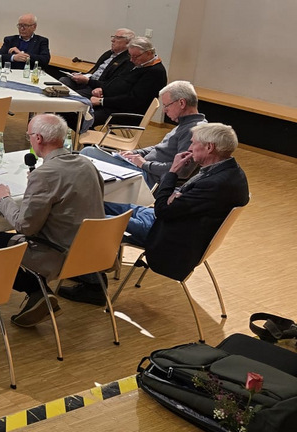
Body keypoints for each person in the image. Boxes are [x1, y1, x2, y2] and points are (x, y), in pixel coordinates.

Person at [61, 123, 249, 306]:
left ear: (209, 147)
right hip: (172, 222)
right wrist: (174, 196)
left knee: (90, 224)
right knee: (96, 203)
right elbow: (172, 203)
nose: (190, 148)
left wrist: (173, 171)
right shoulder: (229, 171)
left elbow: (163, 209)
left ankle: (94, 286)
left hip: (168, 235)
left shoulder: (216, 183)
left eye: (193, 143)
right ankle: (87, 268)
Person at [0, 115, 104, 327]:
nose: (30, 140)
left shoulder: (45, 174)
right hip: (91, 252)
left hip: (59, 253)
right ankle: (39, 291)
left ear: (38, 138)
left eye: (29, 136)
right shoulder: (86, 163)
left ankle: (37, 291)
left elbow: (25, 226)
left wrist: (4, 200)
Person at [83, 80, 205, 188]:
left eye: (166, 105)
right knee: (89, 155)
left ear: (182, 103)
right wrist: (136, 153)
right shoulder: (185, 124)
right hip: (141, 168)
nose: (164, 110)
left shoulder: (194, 130)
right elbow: (159, 148)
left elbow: (182, 171)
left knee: (88, 154)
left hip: (146, 177)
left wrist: (144, 164)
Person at [89, 36, 168, 127]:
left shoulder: (155, 72)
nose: (131, 60)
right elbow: (117, 80)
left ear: (149, 53)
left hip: (125, 112)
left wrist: (102, 101)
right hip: (112, 104)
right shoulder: (137, 64)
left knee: (83, 118)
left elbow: (134, 100)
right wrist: (103, 89)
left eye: (135, 56)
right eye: (130, 56)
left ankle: (98, 136)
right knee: (78, 110)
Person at [60, 28, 135, 97]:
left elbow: (111, 85)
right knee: (63, 81)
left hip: (98, 88)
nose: (112, 40)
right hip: (88, 81)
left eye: (117, 38)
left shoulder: (127, 60)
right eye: (113, 37)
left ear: (128, 42)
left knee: (73, 95)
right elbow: (95, 70)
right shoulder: (109, 53)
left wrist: (87, 81)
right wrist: (82, 76)